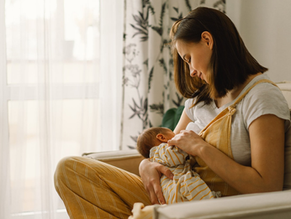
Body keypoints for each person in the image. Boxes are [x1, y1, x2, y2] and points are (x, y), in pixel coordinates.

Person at [54, 7, 291, 218]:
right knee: (69, 170)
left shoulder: (260, 97)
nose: (191, 72)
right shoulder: (200, 99)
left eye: (189, 59)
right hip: (173, 197)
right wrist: (145, 165)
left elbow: (267, 185)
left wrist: (201, 148)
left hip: (209, 206)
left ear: (208, 40)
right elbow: (167, 151)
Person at [137, 127, 218, 204]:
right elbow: (175, 156)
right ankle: (212, 203)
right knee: (194, 187)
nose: (177, 136)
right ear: (162, 137)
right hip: (179, 185)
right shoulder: (161, 149)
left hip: (170, 194)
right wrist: (189, 144)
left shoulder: (155, 158)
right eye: (174, 134)